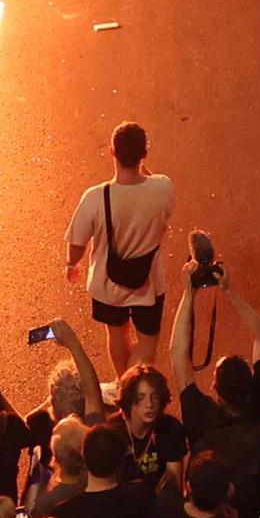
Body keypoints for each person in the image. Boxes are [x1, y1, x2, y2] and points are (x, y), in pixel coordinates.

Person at [63, 122, 175, 371]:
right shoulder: (163, 188)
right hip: (149, 283)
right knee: (147, 341)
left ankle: (124, 385)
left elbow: (77, 242)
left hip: (107, 285)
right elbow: (153, 182)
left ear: (111, 152)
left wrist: (72, 264)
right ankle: (132, 386)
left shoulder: (94, 197)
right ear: (144, 154)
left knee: (116, 334)